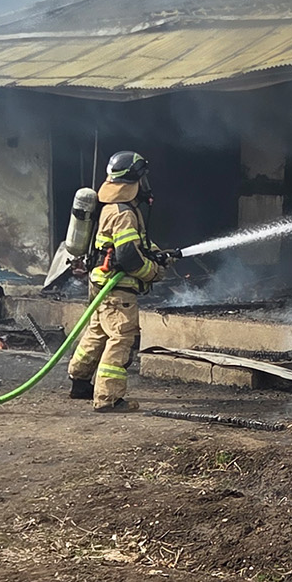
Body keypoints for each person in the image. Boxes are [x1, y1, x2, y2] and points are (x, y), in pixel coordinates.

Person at [66, 151, 181, 412]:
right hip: (117, 289)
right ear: (134, 182)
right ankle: (108, 399)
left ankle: (79, 381)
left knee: (97, 332)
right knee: (121, 337)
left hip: (100, 283)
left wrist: (158, 253)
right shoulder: (124, 213)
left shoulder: (109, 208)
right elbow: (128, 256)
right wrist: (153, 271)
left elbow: (133, 244)